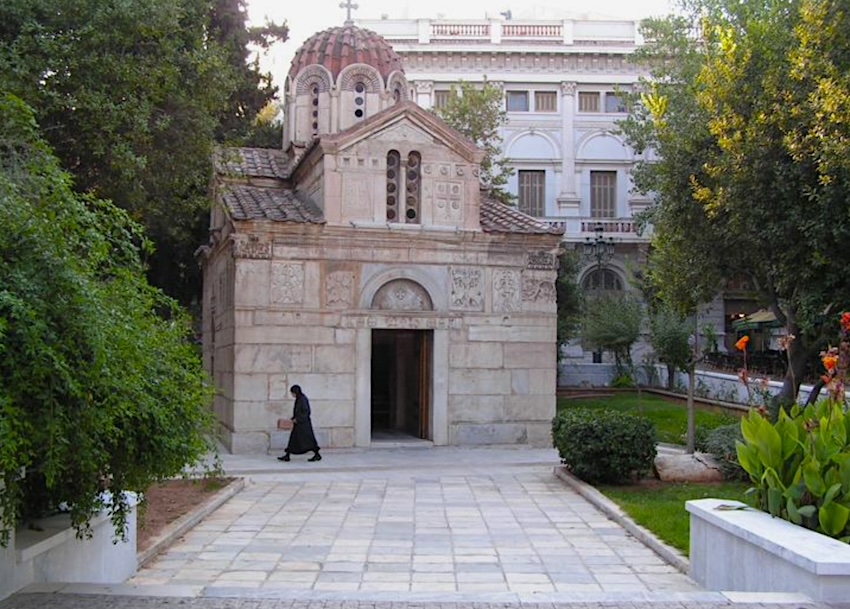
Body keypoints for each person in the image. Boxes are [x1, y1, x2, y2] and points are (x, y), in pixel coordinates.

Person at [278, 385, 321, 462]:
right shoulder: (299, 399)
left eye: (292, 393)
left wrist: (298, 419)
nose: (292, 395)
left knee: (308, 440)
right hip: (299, 424)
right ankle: (287, 455)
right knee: (293, 440)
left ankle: (317, 454)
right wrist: (294, 418)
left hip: (304, 425)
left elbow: (306, 412)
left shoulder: (303, 399)